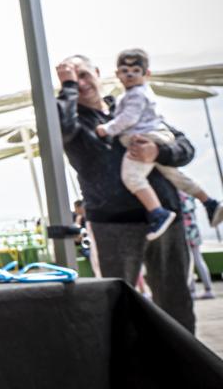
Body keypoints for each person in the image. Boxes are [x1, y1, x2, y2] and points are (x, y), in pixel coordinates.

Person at [56, 55, 196, 331]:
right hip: (113, 225)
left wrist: (159, 151)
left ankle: (184, 368)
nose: (81, 83)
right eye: (73, 79)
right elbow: (59, 126)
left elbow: (184, 146)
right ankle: (130, 371)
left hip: (166, 218)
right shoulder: (74, 122)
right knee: (118, 308)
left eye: (84, 75)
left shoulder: (129, 105)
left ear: (98, 73)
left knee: (176, 303)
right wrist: (68, 87)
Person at [94, 48, 221, 240]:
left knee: (132, 177)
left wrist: (158, 152)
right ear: (117, 74)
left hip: (164, 212)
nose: (129, 74)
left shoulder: (132, 101)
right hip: (128, 224)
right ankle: (209, 202)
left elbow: (185, 148)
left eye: (135, 70)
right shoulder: (126, 101)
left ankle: (158, 213)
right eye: (125, 70)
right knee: (176, 176)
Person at [182, 192, 215, 300]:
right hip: (194, 229)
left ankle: (192, 291)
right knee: (199, 260)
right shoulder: (189, 194)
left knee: (188, 261)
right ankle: (209, 289)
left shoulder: (175, 195)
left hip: (184, 231)